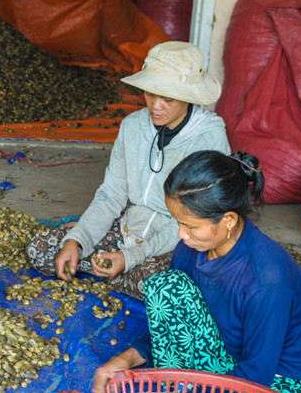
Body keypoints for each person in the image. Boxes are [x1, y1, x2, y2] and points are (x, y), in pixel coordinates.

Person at [20, 150, 301, 393]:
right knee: (166, 287)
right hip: (224, 362)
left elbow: (254, 377)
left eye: (191, 226)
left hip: (274, 389)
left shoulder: (265, 281)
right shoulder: (192, 250)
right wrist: (124, 360)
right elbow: (170, 320)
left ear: (227, 220)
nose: (181, 235)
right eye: (177, 222)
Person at [26, 41, 230, 300]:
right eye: (150, 93)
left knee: (161, 290)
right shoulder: (132, 126)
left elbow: (196, 219)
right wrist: (77, 240)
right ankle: (114, 271)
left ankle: (115, 270)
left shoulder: (208, 138)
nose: (155, 105)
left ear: (188, 96)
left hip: (177, 240)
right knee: (41, 250)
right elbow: (111, 195)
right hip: (129, 229)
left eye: (167, 98)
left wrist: (130, 257)